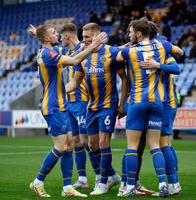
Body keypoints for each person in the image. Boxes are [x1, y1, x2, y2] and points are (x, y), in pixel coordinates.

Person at [29, 24, 107, 198]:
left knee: (69, 145)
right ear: (47, 39)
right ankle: (38, 182)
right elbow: (73, 61)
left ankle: (67, 187)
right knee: (61, 146)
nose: (58, 34)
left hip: (61, 105)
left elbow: (48, 43)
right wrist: (94, 46)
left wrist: (38, 34)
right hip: (54, 106)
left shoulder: (47, 51)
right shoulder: (49, 54)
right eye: (53, 33)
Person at [116, 18, 182, 197]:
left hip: (141, 101)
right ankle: (164, 184)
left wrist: (126, 47)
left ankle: (129, 186)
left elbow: (115, 57)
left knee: (134, 146)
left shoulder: (131, 50)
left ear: (138, 34)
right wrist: (158, 63)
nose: (128, 35)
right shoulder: (163, 47)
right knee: (157, 145)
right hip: (158, 102)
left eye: (130, 32)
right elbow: (180, 54)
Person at [65, 23, 128, 195]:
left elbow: (124, 79)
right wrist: (60, 91)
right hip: (90, 106)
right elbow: (75, 82)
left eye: (86, 37)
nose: (83, 40)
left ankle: (102, 182)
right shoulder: (82, 56)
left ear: (97, 35)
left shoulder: (111, 52)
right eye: (83, 36)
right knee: (92, 145)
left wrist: (122, 104)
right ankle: (112, 176)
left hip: (108, 105)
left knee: (102, 142)